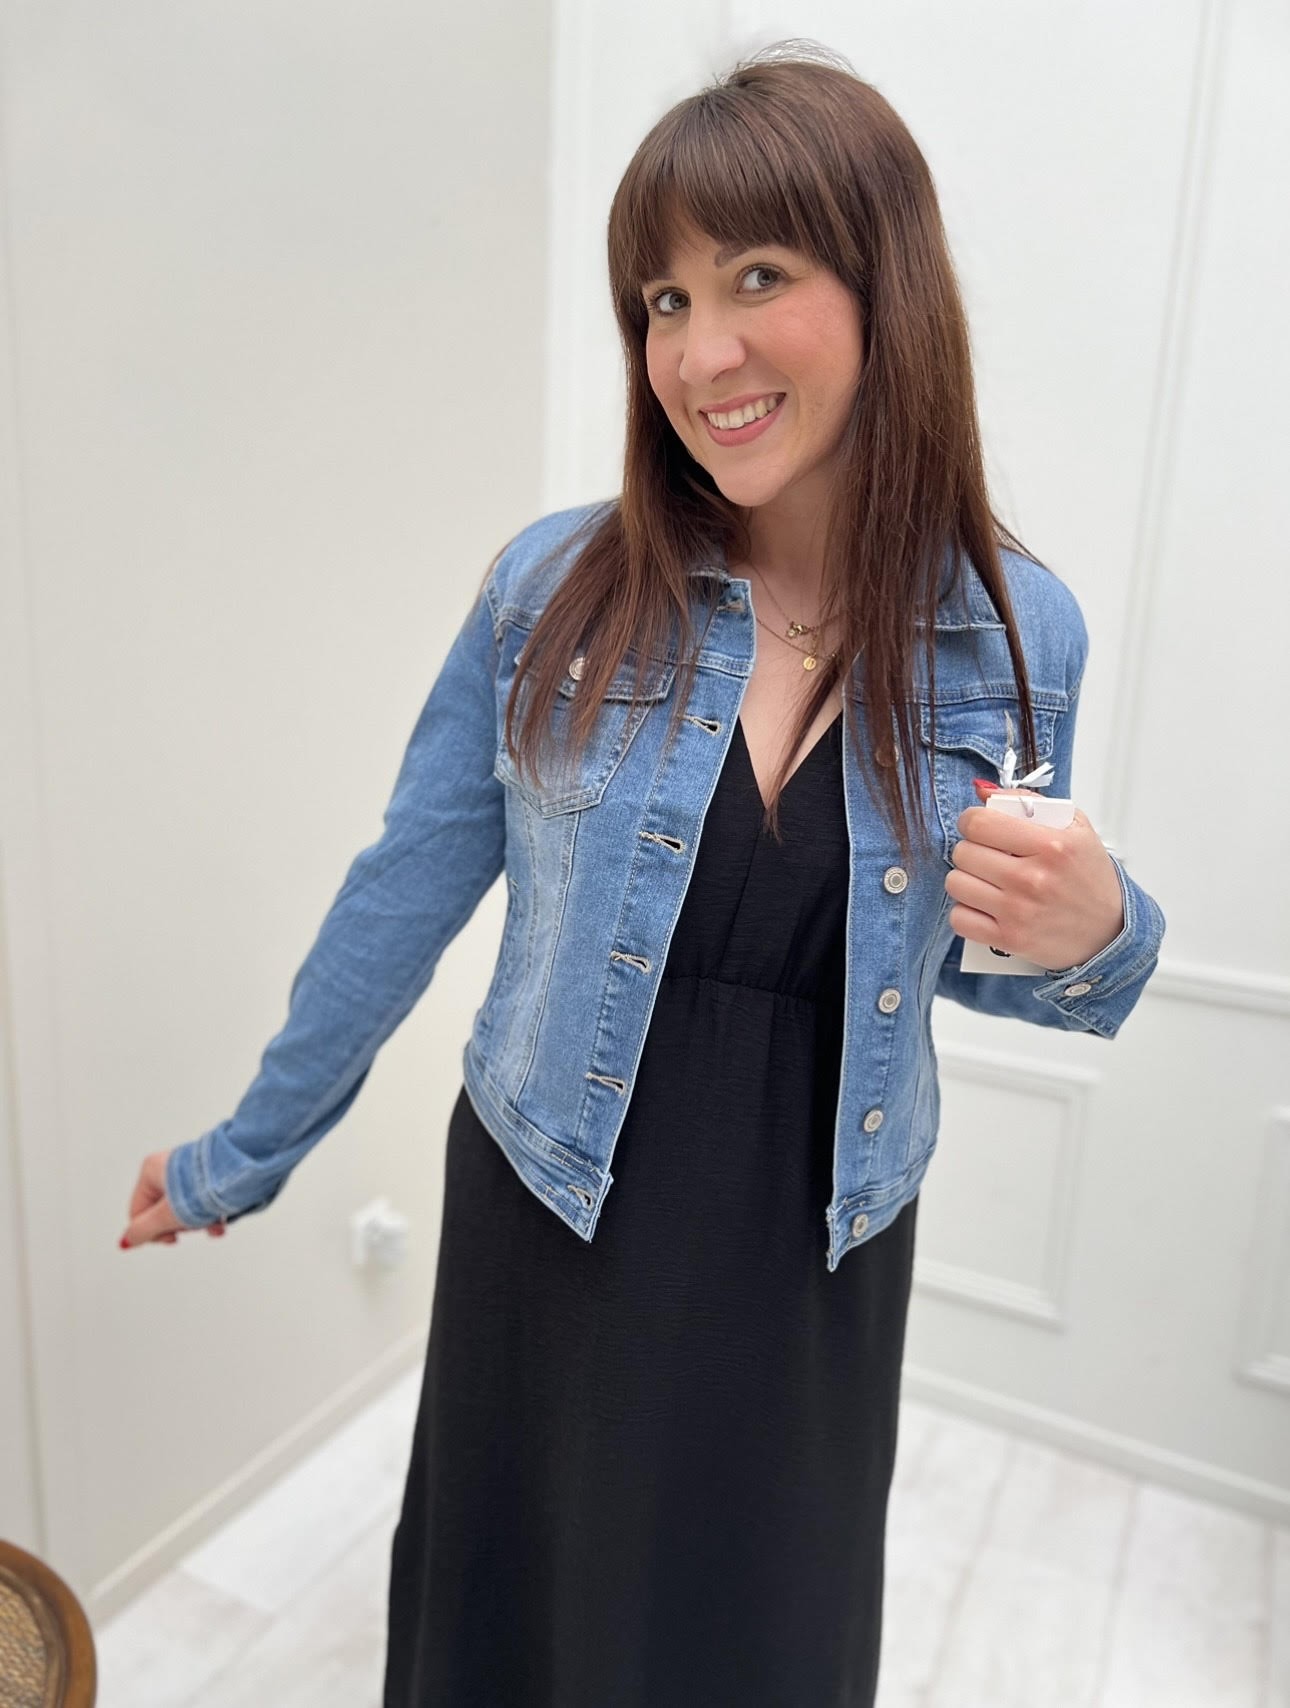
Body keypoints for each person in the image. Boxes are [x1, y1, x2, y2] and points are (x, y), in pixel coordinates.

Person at [120, 41, 1166, 1707]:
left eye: (756, 277)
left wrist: (1103, 929)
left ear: (885, 288)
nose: (698, 350)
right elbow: (404, 890)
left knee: (759, 1640)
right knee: (517, 1633)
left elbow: (982, 952)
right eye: (663, 300)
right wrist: (245, 1150)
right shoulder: (552, 592)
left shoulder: (1013, 629)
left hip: (814, 1254)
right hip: (553, 1213)